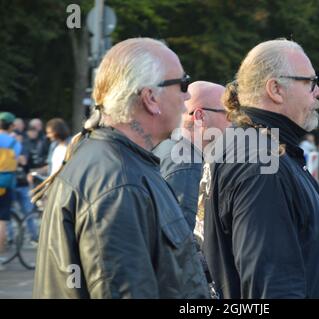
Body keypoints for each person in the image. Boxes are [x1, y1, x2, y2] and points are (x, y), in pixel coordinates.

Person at [32, 38, 209, 298]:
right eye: (182, 84)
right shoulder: (118, 183)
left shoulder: (122, 165)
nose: (186, 97)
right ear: (150, 98)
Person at [202, 39, 319, 298]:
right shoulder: (262, 162)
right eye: (310, 82)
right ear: (276, 89)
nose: (318, 92)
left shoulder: (245, 143)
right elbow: (271, 285)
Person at [154, 81, 229, 231]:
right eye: (229, 114)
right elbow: (185, 237)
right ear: (200, 116)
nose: (234, 122)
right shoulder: (188, 166)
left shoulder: (167, 146)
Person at [0, 112, 22, 270]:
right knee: (2, 222)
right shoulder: (15, 142)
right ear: (11, 125)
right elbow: (21, 160)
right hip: (5, 185)